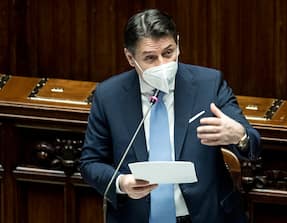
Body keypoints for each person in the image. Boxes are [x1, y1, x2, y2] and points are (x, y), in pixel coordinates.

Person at [80, 8, 261, 223]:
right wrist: (122, 183)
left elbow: (253, 145)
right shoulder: (108, 96)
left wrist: (239, 136)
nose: (163, 65)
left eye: (168, 53)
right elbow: (90, 163)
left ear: (178, 44)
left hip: (205, 216)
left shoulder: (209, 84)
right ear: (130, 57)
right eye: (150, 58)